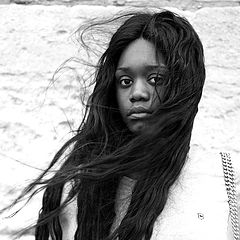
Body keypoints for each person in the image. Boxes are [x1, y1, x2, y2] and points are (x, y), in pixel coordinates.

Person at [5, 9, 240, 240]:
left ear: (182, 86)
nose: (137, 93)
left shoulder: (223, 180)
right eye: (125, 81)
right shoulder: (76, 191)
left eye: (155, 79)